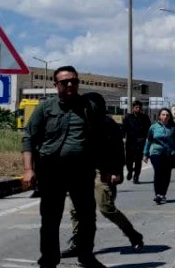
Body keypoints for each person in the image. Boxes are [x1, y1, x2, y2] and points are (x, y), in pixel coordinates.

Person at [21, 66, 111, 268]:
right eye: (64, 82)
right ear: (56, 86)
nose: (70, 85)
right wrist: (28, 169)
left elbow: (100, 139)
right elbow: (28, 138)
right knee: (50, 221)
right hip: (51, 171)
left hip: (82, 171)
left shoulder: (88, 107)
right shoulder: (45, 108)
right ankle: (47, 267)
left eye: (73, 81)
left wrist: (106, 168)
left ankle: (86, 256)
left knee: (87, 217)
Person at [61, 95, 144, 255]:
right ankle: (78, 243)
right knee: (75, 209)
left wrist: (117, 172)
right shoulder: (78, 122)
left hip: (103, 172)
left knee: (106, 208)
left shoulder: (108, 124)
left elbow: (118, 150)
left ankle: (133, 235)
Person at [144, 108, 175, 204]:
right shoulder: (153, 127)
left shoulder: (173, 128)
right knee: (158, 170)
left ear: (169, 117)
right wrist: (145, 154)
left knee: (166, 174)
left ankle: (163, 194)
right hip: (156, 152)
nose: (165, 117)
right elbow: (148, 140)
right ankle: (157, 194)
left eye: (167, 115)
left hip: (169, 153)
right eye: (163, 115)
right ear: (160, 116)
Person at [122, 101, 150, 183]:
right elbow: (124, 128)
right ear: (133, 108)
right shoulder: (128, 117)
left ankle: (136, 176)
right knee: (128, 160)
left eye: (139, 108)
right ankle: (130, 171)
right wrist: (123, 137)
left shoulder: (145, 118)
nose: (138, 109)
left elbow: (148, 129)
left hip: (140, 142)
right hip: (130, 142)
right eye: (136, 107)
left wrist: (146, 139)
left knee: (138, 161)